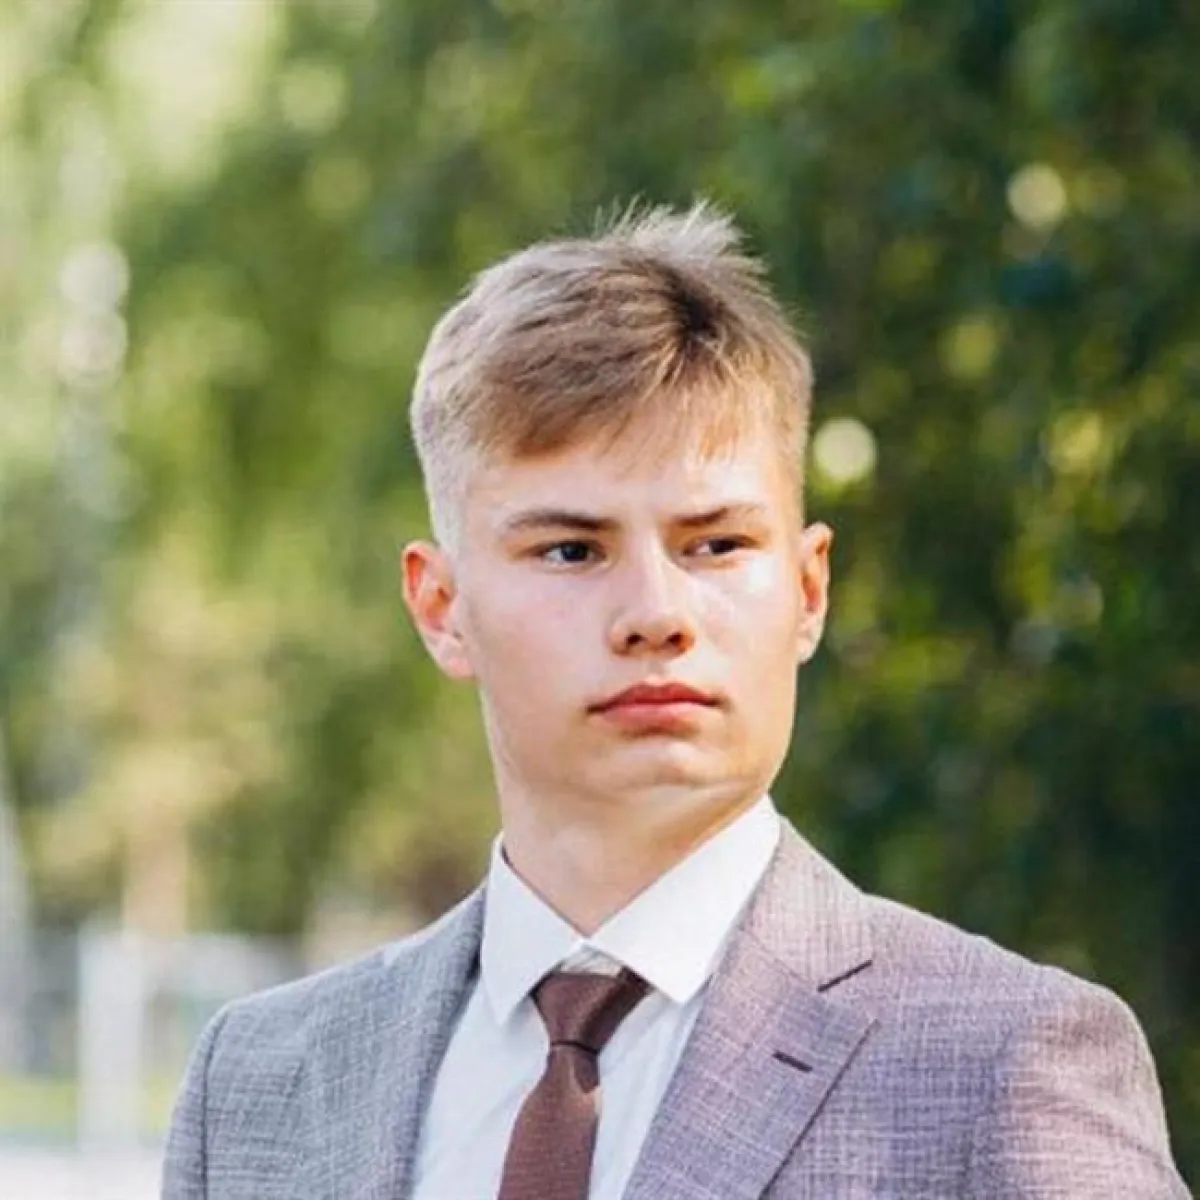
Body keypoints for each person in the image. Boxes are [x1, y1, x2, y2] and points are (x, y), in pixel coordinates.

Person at [162, 203, 1188, 1199]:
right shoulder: (256, 1088)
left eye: (717, 545)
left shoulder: (1003, 1066)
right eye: (571, 550)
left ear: (808, 590)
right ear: (441, 606)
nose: (656, 614)